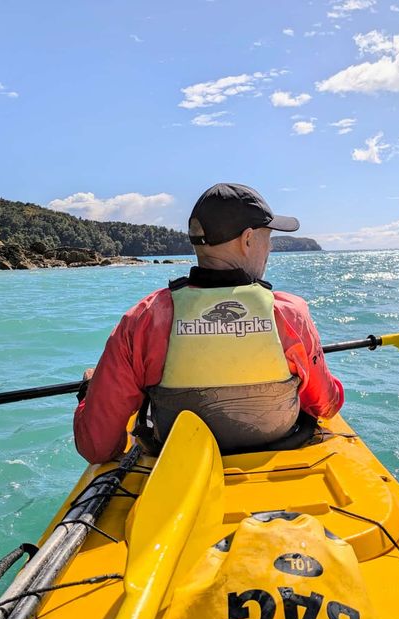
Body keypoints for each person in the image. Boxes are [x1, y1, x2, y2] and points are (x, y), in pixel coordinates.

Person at [73, 183, 345, 464]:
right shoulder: (290, 314)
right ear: (248, 239)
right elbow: (326, 405)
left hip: (181, 465)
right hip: (278, 456)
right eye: (268, 238)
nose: (270, 248)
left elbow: (98, 446)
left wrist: (89, 391)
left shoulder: (142, 319)